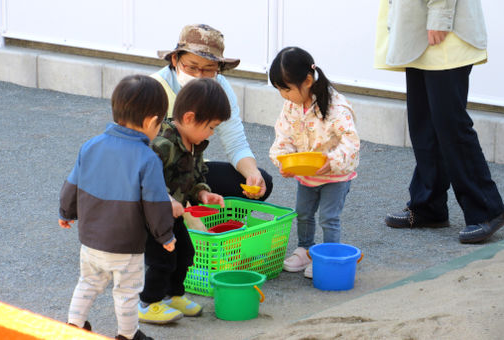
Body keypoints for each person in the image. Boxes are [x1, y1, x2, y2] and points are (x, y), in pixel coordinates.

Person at [59, 75, 178, 340]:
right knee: (126, 292)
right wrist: (165, 236)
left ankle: (73, 326)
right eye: (160, 123)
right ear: (150, 122)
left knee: (88, 283)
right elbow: (156, 204)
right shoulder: (147, 159)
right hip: (126, 246)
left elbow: (72, 184)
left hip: (90, 242)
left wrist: (66, 213)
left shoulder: (90, 146)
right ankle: (128, 335)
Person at [375, 0, 504, 243]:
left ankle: (487, 208)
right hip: (417, 32)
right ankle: (428, 205)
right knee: (424, 125)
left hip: (444, 31)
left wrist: (439, 18)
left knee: (450, 125)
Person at [138, 78, 229, 323]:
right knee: (162, 259)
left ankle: (172, 295)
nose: (212, 133)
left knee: (186, 252)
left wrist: (202, 192)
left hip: (174, 214)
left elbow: (196, 175)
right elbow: (144, 178)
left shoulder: (194, 144)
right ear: (189, 118)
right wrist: (166, 199)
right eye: (211, 127)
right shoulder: (163, 143)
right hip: (154, 215)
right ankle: (148, 302)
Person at [150, 23, 273, 201]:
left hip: (193, 173)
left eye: (208, 69)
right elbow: (134, 158)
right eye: (191, 67)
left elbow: (235, 142)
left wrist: (252, 174)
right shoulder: (153, 88)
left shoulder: (219, 87)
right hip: (154, 175)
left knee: (262, 182)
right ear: (175, 60)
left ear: (218, 68)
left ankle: (211, 223)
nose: (199, 76)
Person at [268, 47, 360, 278]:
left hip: (334, 174)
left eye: (286, 89)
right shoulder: (291, 106)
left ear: (308, 80)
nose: (283, 95)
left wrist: (334, 161)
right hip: (307, 173)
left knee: (329, 217)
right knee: (303, 213)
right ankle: (306, 250)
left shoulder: (335, 106)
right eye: (279, 89)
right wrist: (283, 159)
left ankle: (329, 255)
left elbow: (350, 141)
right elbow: (283, 135)